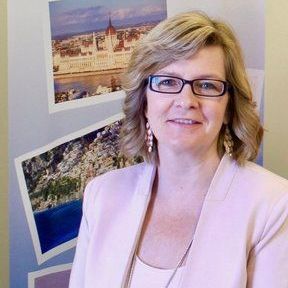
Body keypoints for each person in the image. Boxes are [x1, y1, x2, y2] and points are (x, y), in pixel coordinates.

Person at [69, 11, 288, 288]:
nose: (186, 100)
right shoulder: (101, 196)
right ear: (144, 101)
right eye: (168, 82)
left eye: (207, 85)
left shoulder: (273, 205)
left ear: (229, 107)